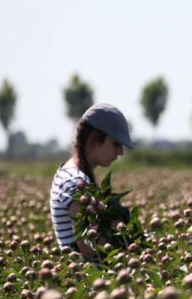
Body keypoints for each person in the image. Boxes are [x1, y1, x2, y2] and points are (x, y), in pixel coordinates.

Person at [50, 103, 134, 259]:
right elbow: (89, 246)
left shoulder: (72, 174)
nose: (120, 152)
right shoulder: (75, 182)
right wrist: (128, 242)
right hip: (86, 278)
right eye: (115, 144)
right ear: (94, 138)